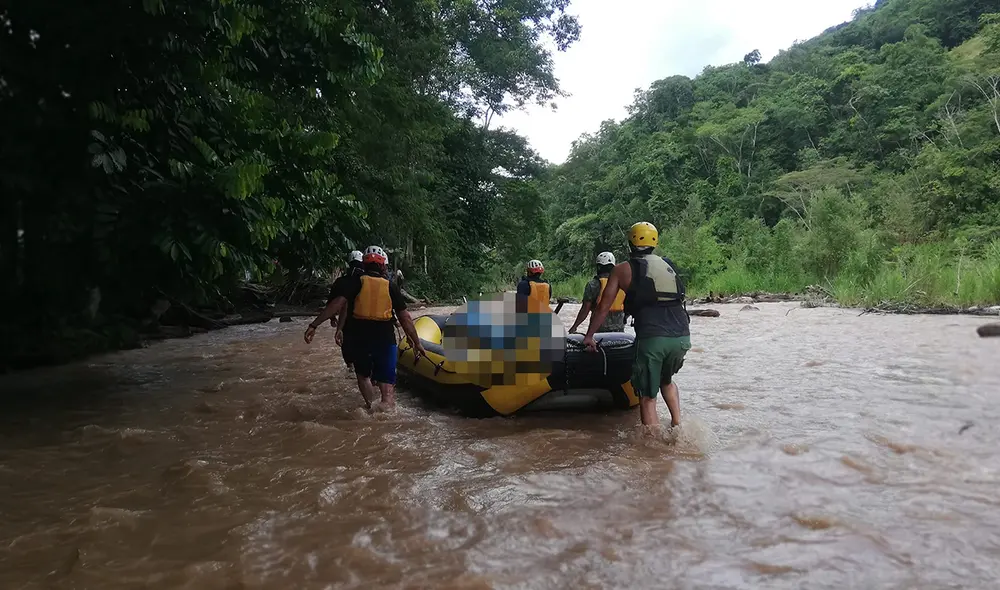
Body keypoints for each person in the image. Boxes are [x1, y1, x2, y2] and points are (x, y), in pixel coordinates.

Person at [583, 222, 691, 429]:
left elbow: (603, 307)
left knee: (647, 396)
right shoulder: (668, 264)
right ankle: (678, 427)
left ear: (630, 242)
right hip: (682, 336)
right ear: (655, 242)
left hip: (653, 337)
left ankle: (652, 448)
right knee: (666, 381)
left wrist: (589, 336)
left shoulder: (622, 269)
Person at [304, 246, 426, 411]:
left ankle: (370, 407)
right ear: (383, 265)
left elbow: (337, 305)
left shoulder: (355, 282)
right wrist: (416, 342)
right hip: (385, 339)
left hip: (359, 339)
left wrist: (314, 325)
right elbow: (405, 317)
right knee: (387, 386)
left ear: (365, 264)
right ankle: (386, 410)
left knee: (363, 376)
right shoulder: (391, 286)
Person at [569, 251, 626, 334]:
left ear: (598, 267)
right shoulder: (621, 283)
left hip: (598, 332)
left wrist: (574, 327)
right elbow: (629, 307)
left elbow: (585, 310)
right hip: (619, 331)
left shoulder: (593, 285)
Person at [327, 251, 364, 373]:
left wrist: (332, 317)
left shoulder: (341, 281)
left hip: (347, 321)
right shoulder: (367, 280)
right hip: (366, 319)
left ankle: (351, 368)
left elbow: (333, 302)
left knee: (348, 348)